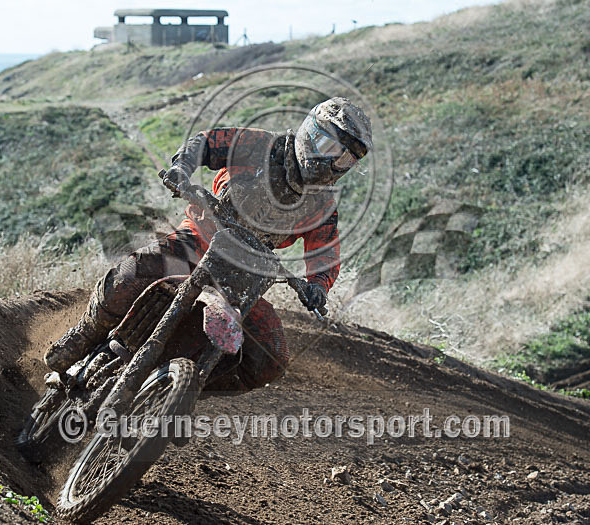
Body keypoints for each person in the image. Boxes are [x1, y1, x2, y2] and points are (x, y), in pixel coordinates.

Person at [44, 97, 372, 392]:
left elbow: (326, 254)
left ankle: (175, 391)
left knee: (269, 360)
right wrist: (181, 168)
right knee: (129, 277)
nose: (334, 162)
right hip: (200, 239)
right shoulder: (260, 146)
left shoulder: (323, 206)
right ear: (311, 134)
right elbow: (206, 142)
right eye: (331, 148)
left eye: (344, 160)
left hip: (245, 276)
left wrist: (317, 287)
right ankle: (85, 332)